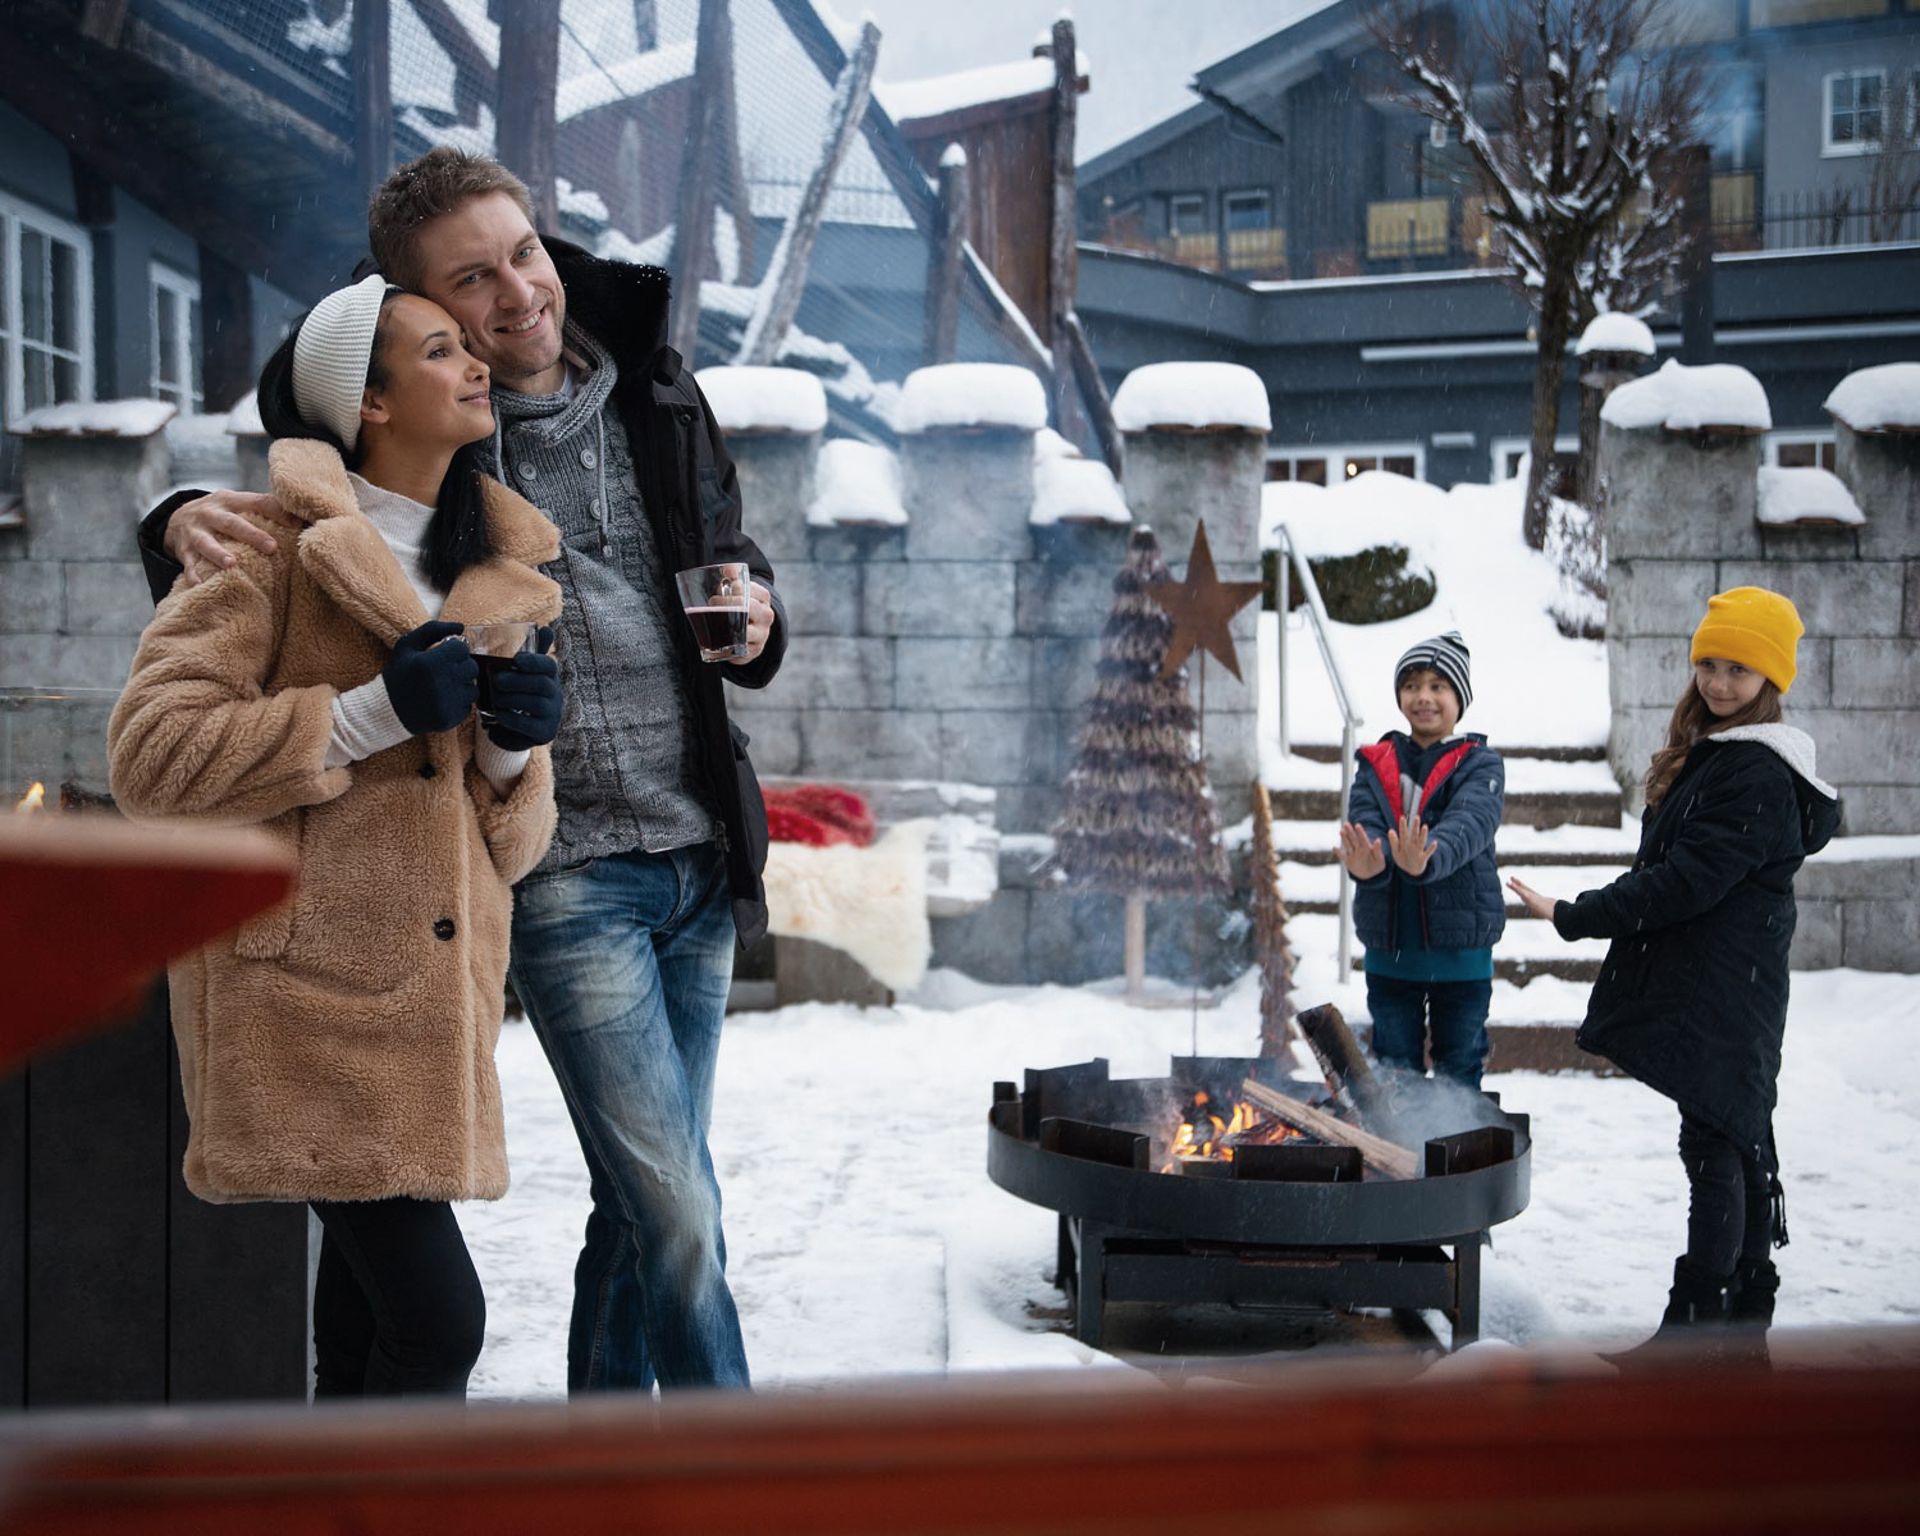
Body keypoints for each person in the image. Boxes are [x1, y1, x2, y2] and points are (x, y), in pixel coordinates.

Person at [136, 148, 784, 1393]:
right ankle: (727, 1464)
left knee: (638, 1206)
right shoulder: (436, 420)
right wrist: (166, 517)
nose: (516, 296)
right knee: (678, 1208)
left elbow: (727, 552)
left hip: (698, 840)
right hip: (558, 871)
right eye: (469, 285)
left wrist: (759, 617)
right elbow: (294, 488)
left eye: (524, 254)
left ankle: (599, 1466)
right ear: (411, 309)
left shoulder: (656, 386)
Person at [109, 275, 566, 1398]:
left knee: (364, 1335)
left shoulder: (491, 579)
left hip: (430, 1016)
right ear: (368, 401)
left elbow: (507, 850)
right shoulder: (266, 550)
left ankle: (332, 1490)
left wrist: (513, 753)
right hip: (303, 1012)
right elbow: (151, 762)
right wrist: (368, 714)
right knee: (440, 1325)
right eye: (440, 350)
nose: (478, 364)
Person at [1511, 587, 1840, 1366]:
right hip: (1727, 982)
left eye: (1738, 670)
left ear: (1770, 678)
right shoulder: (1726, 753)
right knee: (1736, 1142)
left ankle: (1696, 1339)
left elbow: (1684, 882)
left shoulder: (1753, 770)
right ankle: (1738, 1335)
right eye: (1709, 665)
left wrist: (1574, 913)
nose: (1718, 683)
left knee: (1718, 1147)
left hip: (1723, 989)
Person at [1337, 632, 1505, 1090]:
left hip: (1461, 954)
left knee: (1460, 1071)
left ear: (1460, 698)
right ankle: (1400, 1141)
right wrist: (1371, 864)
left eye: (1437, 686)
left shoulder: (1480, 764)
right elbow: (1367, 824)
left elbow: (1470, 825)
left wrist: (1428, 858)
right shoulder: (1376, 763)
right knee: (1396, 1075)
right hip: (1390, 951)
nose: (1423, 697)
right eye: (1411, 685)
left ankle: (1457, 1139)